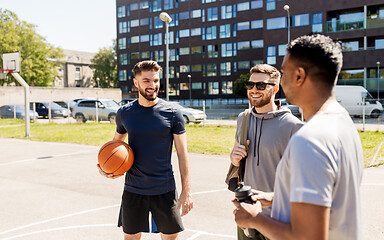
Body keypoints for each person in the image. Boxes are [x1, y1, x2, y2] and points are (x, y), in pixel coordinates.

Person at [233, 34, 364, 240]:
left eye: (284, 73)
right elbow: (327, 196)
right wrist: (275, 198)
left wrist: (255, 218)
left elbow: (309, 236)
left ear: (299, 76)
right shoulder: (343, 122)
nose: (282, 81)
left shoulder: (310, 139)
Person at [97, 60, 193, 240]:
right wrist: (105, 168)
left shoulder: (173, 113)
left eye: (156, 80)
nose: (153, 85)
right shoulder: (125, 113)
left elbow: (182, 154)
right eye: (147, 81)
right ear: (136, 82)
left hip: (164, 189)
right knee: (131, 238)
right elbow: (115, 146)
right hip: (134, 189)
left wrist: (186, 192)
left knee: (170, 238)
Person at [230, 64, 303, 240]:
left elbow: (304, 183)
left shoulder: (294, 127)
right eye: (250, 85)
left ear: (275, 89)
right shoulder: (243, 118)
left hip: (279, 221)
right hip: (246, 213)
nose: (254, 90)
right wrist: (234, 159)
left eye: (261, 86)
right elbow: (236, 160)